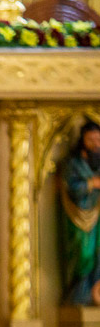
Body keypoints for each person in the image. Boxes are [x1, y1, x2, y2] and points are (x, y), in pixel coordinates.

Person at [59, 120, 100, 305]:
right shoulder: (73, 163)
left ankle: (95, 291)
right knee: (84, 254)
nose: (95, 144)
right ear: (83, 140)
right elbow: (71, 187)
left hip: (98, 215)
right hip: (78, 216)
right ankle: (79, 295)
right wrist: (91, 184)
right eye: (91, 139)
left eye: (98, 140)